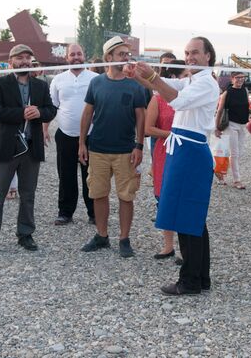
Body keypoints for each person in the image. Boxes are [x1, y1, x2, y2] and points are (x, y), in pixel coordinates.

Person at [126, 37, 220, 295]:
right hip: (183, 149)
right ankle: (200, 276)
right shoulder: (192, 80)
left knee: (188, 215)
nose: (189, 57)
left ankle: (190, 280)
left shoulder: (207, 84)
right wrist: (138, 76)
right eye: (187, 53)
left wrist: (152, 76)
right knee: (191, 216)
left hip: (191, 150)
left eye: (195, 52)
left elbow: (176, 100)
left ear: (208, 56)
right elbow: (163, 86)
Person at [0, 44, 57, 255]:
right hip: (6, 147)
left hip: (31, 148)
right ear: (11, 61)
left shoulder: (40, 85)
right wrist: (21, 113)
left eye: (27, 57)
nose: (24, 61)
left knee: (28, 194)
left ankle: (25, 234)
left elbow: (51, 110)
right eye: (19, 57)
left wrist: (39, 112)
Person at [78, 36, 146, 258]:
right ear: (109, 57)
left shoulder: (134, 85)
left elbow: (141, 116)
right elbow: (87, 113)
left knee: (126, 195)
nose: (125, 58)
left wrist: (139, 146)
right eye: (121, 54)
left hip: (125, 150)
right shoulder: (96, 83)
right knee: (98, 193)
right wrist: (82, 143)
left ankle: (124, 239)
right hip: (98, 149)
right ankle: (102, 235)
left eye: (127, 54)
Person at [44, 44, 98, 225]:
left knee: (91, 176)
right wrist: (45, 128)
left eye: (79, 54)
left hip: (91, 136)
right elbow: (53, 106)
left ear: (84, 56)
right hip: (65, 135)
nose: (76, 57)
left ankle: (94, 212)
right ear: (66, 58)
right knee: (66, 175)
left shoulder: (95, 79)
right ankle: (65, 212)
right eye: (72, 54)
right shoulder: (58, 80)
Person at [144, 60, 190, 259]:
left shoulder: (190, 99)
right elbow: (148, 128)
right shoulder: (158, 99)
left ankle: (185, 248)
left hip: (186, 151)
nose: (187, 80)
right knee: (164, 198)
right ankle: (168, 245)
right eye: (184, 76)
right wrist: (171, 134)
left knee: (184, 198)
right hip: (164, 152)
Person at [214, 71, 249, 189]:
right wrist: (217, 127)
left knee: (239, 153)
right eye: (238, 78)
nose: (240, 80)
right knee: (234, 153)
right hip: (231, 125)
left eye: (242, 77)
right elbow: (219, 110)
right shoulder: (227, 93)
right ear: (232, 79)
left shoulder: (245, 91)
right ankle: (236, 180)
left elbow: (247, 106)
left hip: (242, 125)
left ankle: (221, 173)